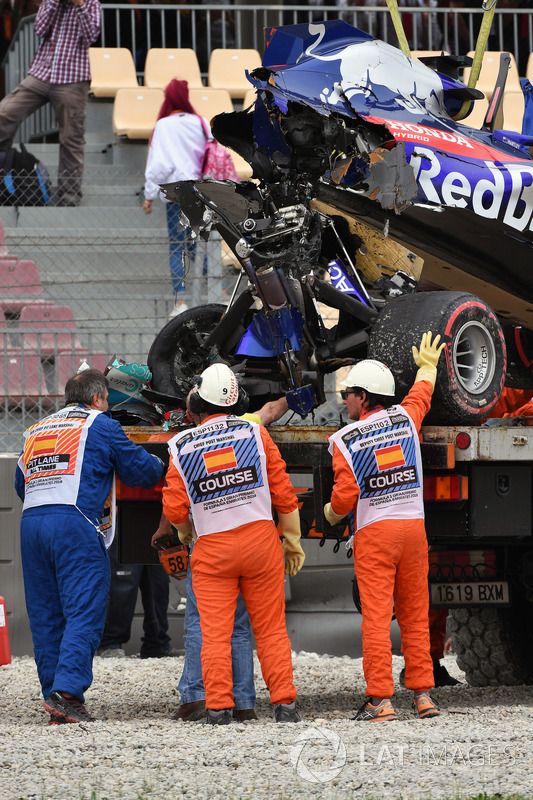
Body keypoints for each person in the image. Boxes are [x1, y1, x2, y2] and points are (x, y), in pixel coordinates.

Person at [14, 369, 165, 724]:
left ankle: (53, 695)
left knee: (46, 613)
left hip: (31, 524)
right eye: (107, 400)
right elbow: (139, 471)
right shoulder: (100, 423)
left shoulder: (36, 428)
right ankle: (67, 693)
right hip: (74, 522)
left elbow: (21, 483)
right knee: (84, 608)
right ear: (97, 398)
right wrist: (163, 462)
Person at [159, 364, 304, 724]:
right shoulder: (255, 433)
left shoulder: (181, 446)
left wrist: (185, 533)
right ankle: (285, 704)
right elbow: (283, 492)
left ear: (198, 401)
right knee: (271, 629)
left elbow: (175, 509)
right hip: (261, 545)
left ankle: (219, 708)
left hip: (213, 550)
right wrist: (292, 540)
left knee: (215, 633)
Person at [324, 331, 445, 721]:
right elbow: (422, 394)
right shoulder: (406, 419)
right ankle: (423, 696)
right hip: (413, 530)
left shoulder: (345, 440)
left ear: (363, 397)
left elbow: (345, 497)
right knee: (415, 613)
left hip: (376, 535)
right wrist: (428, 367)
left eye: (348, 393)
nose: (344, 399)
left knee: (377, 618)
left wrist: (329, 513)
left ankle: (380, 701)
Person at [0, 0, 101, 207]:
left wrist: (79, 4)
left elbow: (91, 36)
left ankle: (68, 198)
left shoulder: (92, 4)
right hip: (42, 73)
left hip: (72, 78)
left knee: (71, 138)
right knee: (5, 113)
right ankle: (2, 172)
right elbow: (39, 28)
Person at [143, 79, 208, 319]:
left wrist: (149, 195)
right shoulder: (200, 122)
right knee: (200, 242)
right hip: (199, 192)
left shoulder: (163, 125)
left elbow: (159, 165)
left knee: (177, 245)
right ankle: (218, 291)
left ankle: (180, 300)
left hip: (175, 193)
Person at [97, 537, 173, 659]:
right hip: (126, 529)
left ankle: (156, 643)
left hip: (158, 529)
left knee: (158, 584)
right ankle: (110, 643)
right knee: (123, 584)